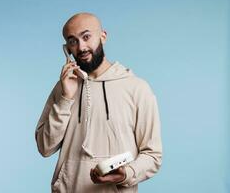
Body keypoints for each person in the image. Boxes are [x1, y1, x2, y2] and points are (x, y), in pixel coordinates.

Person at [35, 12, 162, 193]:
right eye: (73, 41)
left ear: (103, 36)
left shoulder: (137, 88)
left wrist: (126, 173)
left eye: (86, 37)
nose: (81, 47)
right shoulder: (64, 87)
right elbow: (45, 147)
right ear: (67, 49)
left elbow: (153, 155)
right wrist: (65, 98)